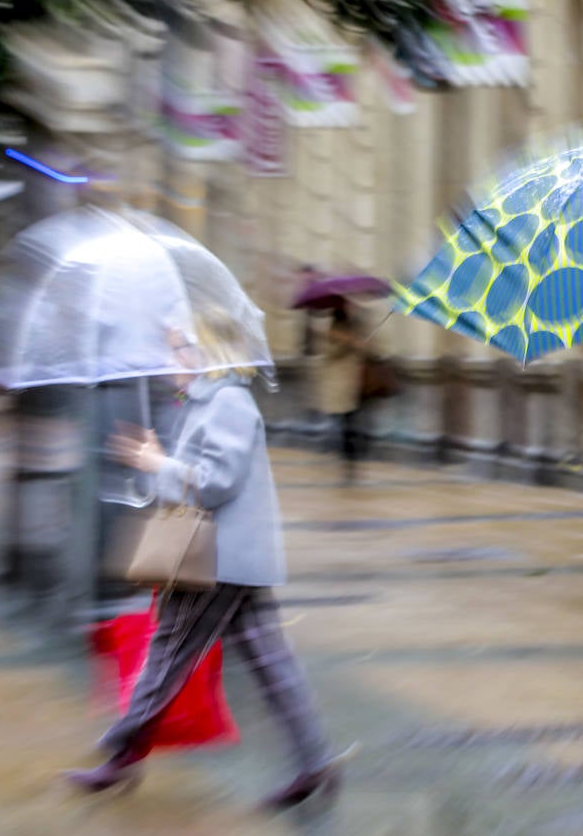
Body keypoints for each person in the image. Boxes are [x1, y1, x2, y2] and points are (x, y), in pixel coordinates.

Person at [66, 320, 350, 809]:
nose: (170, 360)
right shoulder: (204, 401)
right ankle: (315, 763)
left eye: (179, 350)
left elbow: (215, 482)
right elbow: (193, 476)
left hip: (217, 558)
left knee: (168, 653)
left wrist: (158, 466)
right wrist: (157, 462)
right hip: (230, 557)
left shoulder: (228, 403)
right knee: (270, 663)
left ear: (207, 352)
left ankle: (120, 751)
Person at [315, 301, 367, 483]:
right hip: (339, 383)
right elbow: (328, 352)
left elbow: (366, 348)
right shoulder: (330, 330)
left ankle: (350, 462)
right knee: (344, 423)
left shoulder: (356, 326)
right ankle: (346, 460)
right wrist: (342, 341)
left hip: (354, 381)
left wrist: (355, 343)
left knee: (350, 423)